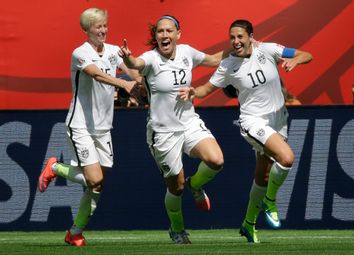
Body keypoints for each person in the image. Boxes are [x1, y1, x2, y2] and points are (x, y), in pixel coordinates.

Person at [179, 19, 312, 243]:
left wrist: (296, 60)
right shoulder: (228, 65)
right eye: (232, 37)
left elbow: (306, 54)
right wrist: (194, 91)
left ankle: (248, 224)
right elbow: (207, 88)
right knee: (287, 158)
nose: (236, 41)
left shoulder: (269, 50)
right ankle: (270, 200)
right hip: (253, 121)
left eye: (240, 36)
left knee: (263, 174)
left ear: (251, 36)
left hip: (278, 120)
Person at [119, 15, 228, 244]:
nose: (164, 35)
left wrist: (240, 48)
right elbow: (136, 64)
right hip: (163, 131)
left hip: (188, 122)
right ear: (156, 36)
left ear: (178, 33)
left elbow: (214, 59)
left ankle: (195, 185)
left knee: (216, 160)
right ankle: (177, 230)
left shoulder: (187, 52)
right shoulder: (151, 59)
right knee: (175, 188)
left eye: (169, 31)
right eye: (160, 31)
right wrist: (128, 59)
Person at [38, 7, 140, 246]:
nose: (102, 30)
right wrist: (123, 85)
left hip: (104, 127)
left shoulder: (114, 51)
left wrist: (132, 64)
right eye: (97, 27)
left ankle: (75, 232)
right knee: (93, 179)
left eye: (104, 25)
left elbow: (135, 74)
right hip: (81, 125)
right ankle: (56, 167)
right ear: (86, 30)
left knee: (97, 185)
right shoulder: (80, 53)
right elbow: (97, 75)